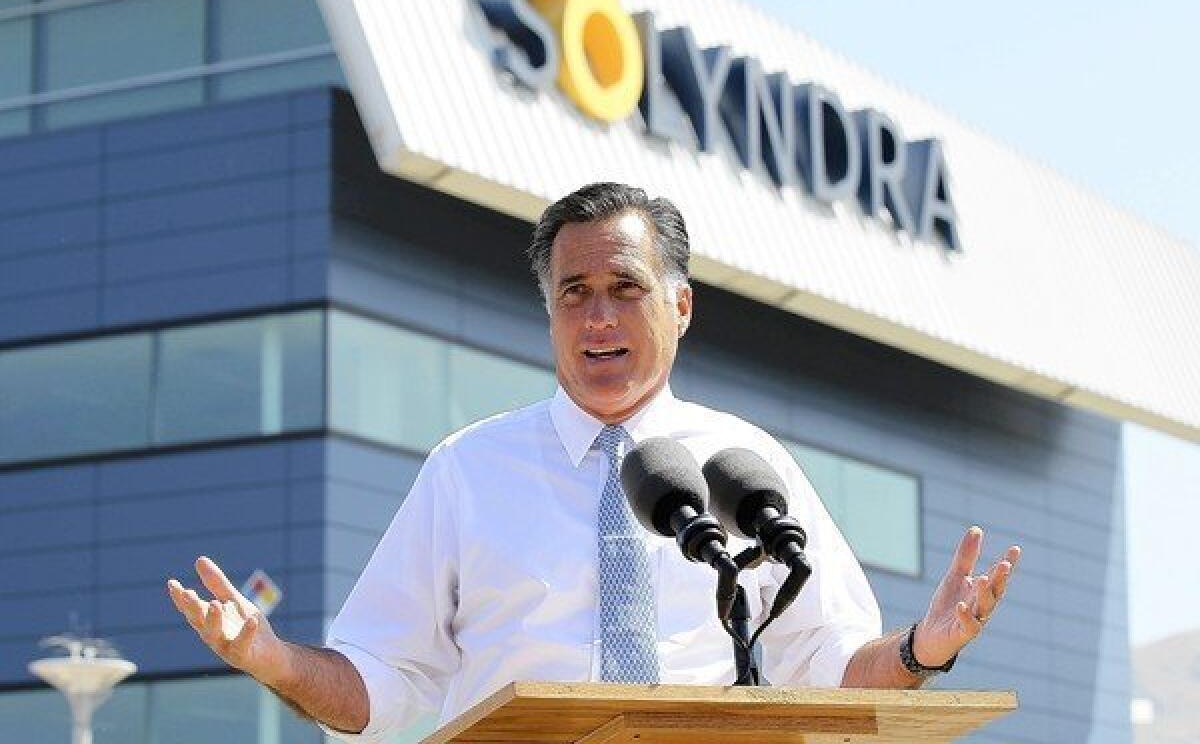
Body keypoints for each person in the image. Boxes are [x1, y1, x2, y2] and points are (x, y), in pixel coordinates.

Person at [167, 182, 1020, 741]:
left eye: (625, 289)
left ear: (681, 306)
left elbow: (829, 669)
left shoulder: (745, 463)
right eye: (573, 294)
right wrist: (273, 659)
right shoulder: (469, 469)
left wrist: (922, 649)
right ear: (549, 315)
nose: (597, 318)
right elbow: (378, 683)